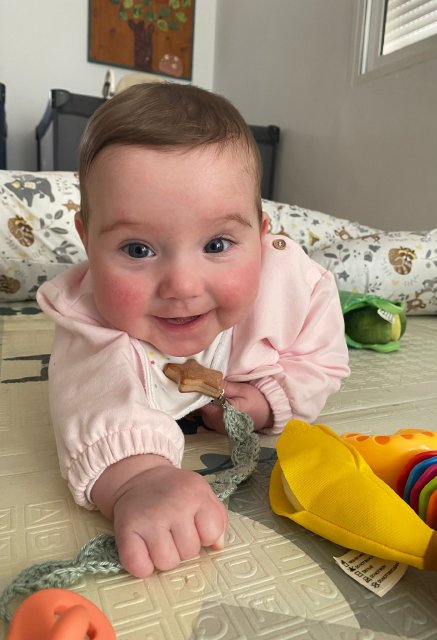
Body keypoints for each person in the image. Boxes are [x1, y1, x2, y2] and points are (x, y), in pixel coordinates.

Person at [37, 82, 350, 579]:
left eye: (217, 244)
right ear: (88, 242)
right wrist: (137, 479)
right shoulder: (90, 315)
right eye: (138, 249)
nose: (182, 286)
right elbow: (91, 397)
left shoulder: (292, 285)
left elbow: (322, 357)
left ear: (261, 237)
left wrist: (269, 399)